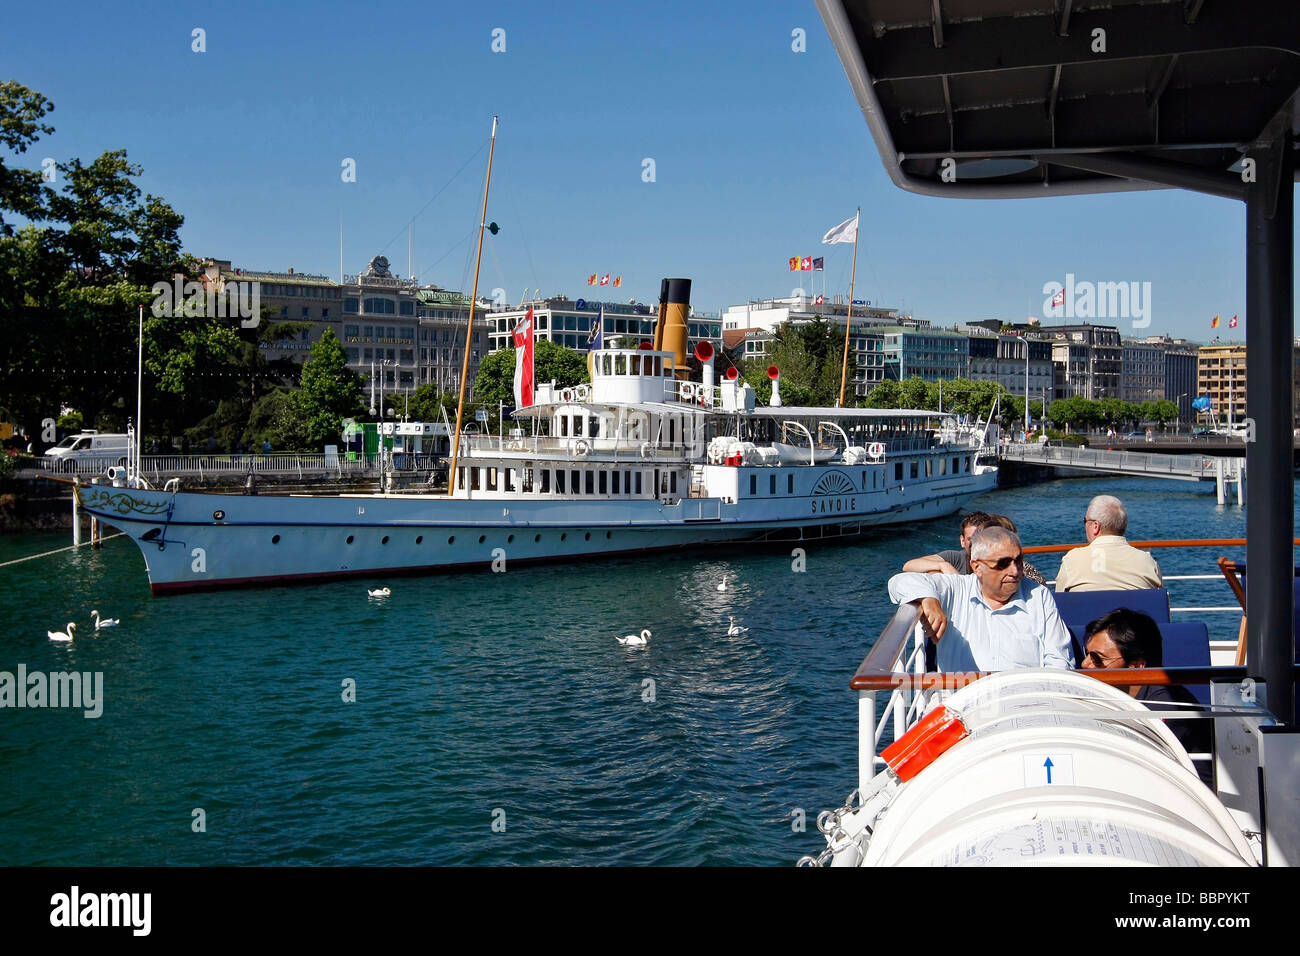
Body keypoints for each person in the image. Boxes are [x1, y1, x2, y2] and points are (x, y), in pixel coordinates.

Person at [888, 526, 1074, 673]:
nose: (1015, 571)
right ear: (977, 567)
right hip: (964, 704)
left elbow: (1060, 660)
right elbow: (898, 582)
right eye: (1003, 564)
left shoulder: (1038, 595)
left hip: (1023, 703)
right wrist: (929, 599)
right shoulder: (956, 589)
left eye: (1018, 560)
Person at [1080, 608, 1212, 785]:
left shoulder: (1163, 709)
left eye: (1098, 659)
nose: (1084, 664)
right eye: (1086, 654)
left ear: (1136, 666)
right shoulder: (1124, 699)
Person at [903, 512, 1047, 586]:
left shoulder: (1018, 572)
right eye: (971, 539)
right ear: (962, 541)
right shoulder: (955, 558)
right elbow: (909, 566)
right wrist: (942, 566)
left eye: (980, 538)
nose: (975, 544)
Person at [1055, 494, 1162, 592]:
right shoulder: (1147, 563)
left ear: (1096, 526)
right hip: (1133, 613)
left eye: (1085, 521)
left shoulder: (1072, 561)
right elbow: (1161, 607)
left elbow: (1059, 606)